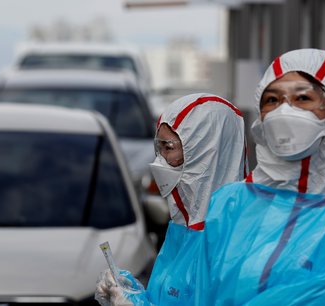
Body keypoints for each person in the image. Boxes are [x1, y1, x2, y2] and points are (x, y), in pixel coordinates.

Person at [194, 49, 325, 305]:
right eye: (271, 100)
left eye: (302, 98)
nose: (284, 111)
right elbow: (199, 295)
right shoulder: (229, 203)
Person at [95, 93, 247, 306]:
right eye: (159, 149)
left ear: (205, 152)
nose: (159, 161)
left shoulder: (231, 239)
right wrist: (134, 293)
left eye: (168, 148)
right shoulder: (182, 228)